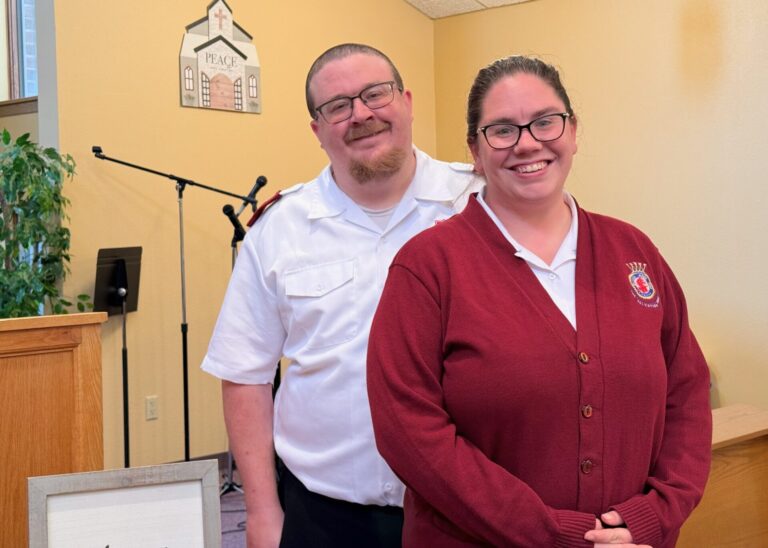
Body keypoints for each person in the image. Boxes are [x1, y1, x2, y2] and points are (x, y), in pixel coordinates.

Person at [367, 55, 712, 548]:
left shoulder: (633, 252)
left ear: (573, 132)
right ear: (475, 150)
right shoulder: (427, 267)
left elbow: (688, 393)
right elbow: (408, 431)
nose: (528, 142)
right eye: (502, 130)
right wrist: (553, 533)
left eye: (546, 122)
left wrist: (654, 514)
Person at [201, 43, 481, 548]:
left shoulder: (478, 204)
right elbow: (245, 375)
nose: (362, 114)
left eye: (376, 94)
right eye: (338, 106)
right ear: (317, 130)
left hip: (466, 512)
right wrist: (262, 512)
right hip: (324, 515)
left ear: (408, 101)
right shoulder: (280, 227)